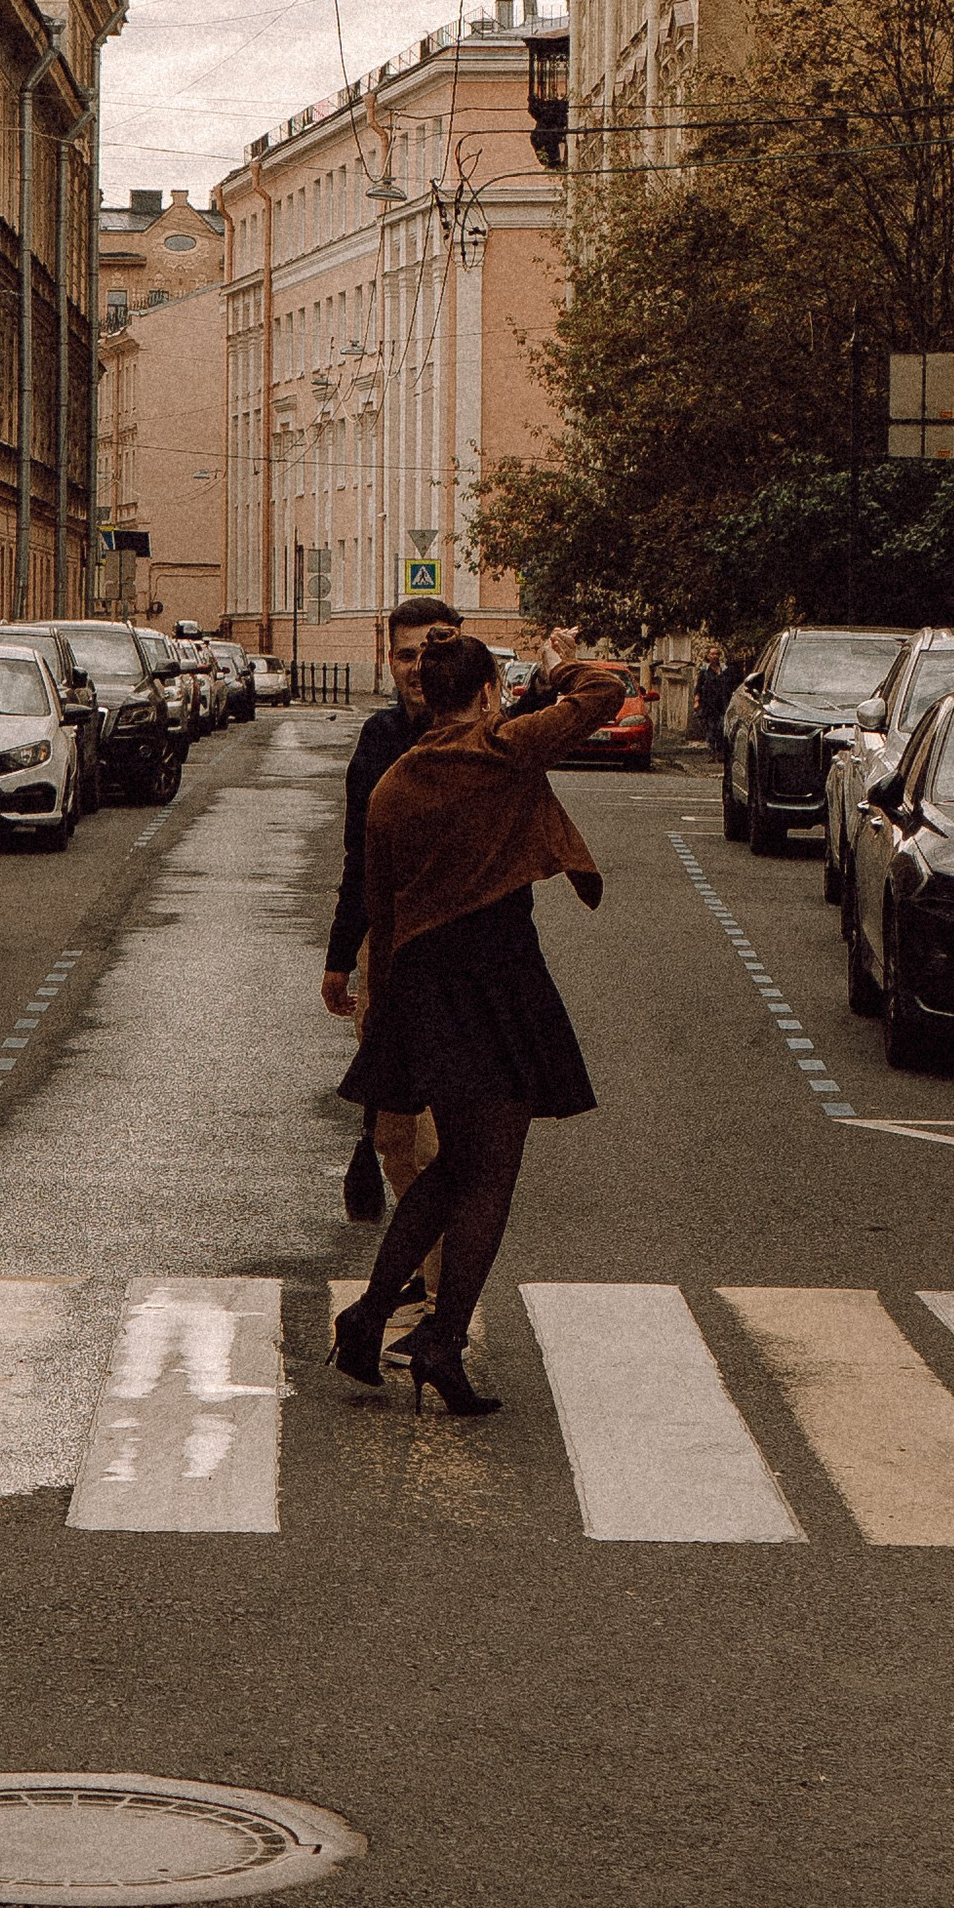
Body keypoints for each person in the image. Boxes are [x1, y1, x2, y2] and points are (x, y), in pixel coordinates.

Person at [333, 628, 628, 1417]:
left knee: (457, 1167)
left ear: (426, 691)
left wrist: (379, 1022)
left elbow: (383, 913)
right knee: (488, 1175)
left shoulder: (394, 785)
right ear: (491, 690)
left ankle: (367, 1320)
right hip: (499, 977)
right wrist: (558, 657)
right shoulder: (507, 749)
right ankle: (439, 1342)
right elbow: (603, 694)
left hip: (425, 988)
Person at [322, 596, 465, 1288]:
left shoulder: (485, 736)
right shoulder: (379, 741)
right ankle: (425, 1255)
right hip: (388, 958)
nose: (417, 668)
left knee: (441, 1140)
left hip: (462, 966)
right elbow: (361, 857)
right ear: (389, 660)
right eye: (405, 654)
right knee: (394, 1140)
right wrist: (340, 957)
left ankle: (443, 1307)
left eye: (432, 653)